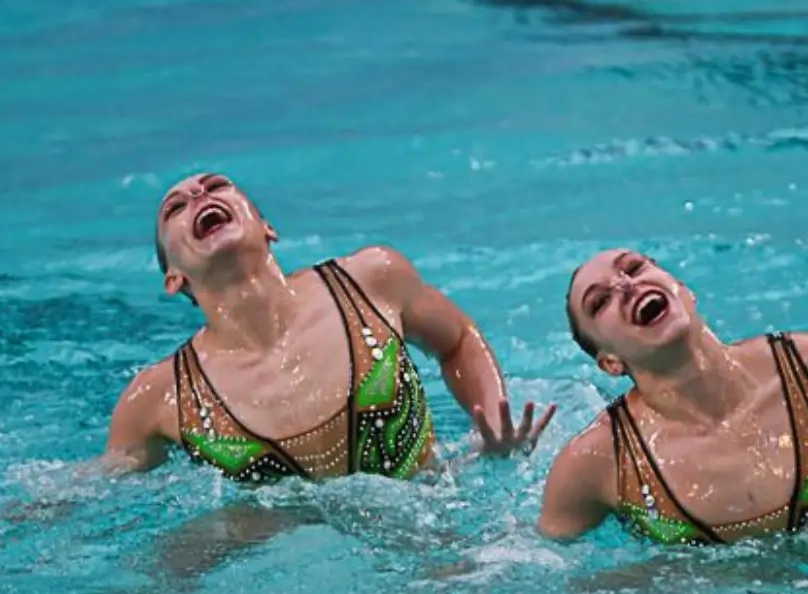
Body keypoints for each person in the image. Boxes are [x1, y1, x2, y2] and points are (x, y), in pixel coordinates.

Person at [101, 170, 556, 483]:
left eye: (216, 186)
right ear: (173, 278)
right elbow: (104, 490)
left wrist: (493, 423)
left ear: (267, 227)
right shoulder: (160, 397)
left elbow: (457, 340)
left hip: (435, 531)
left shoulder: (371, 280)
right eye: (175, 208)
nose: (200, 196)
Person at [535, 248, 808, 545]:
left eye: (634, 268)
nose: (626, 286)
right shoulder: (600, 461)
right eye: (600, 302)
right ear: (610, 362)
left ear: (683, 291)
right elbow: (538, 565)